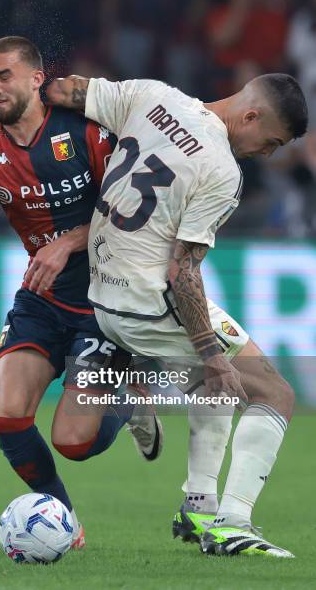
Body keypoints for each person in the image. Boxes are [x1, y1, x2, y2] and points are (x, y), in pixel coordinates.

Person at [0, 36, 163, 552]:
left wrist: (69, 242)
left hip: (105, 304)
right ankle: (63, 521)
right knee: (7, 415)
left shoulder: (85, 131)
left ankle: (134, 397)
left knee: (73, 443)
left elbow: (134, 211)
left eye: (4, 75)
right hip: (42, 299)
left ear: (35, 77)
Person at [46, 72, 308, 557]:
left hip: (102, 292)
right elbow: (182, 273)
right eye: (270, 142)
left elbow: (62, 92)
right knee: (274, 391)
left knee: (219, 385)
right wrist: (210, 352)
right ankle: (232, 524)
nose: (266, 154)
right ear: (251, 116)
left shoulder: (154, 96)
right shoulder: (222, 172)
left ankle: (199, 505)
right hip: (146, 303)